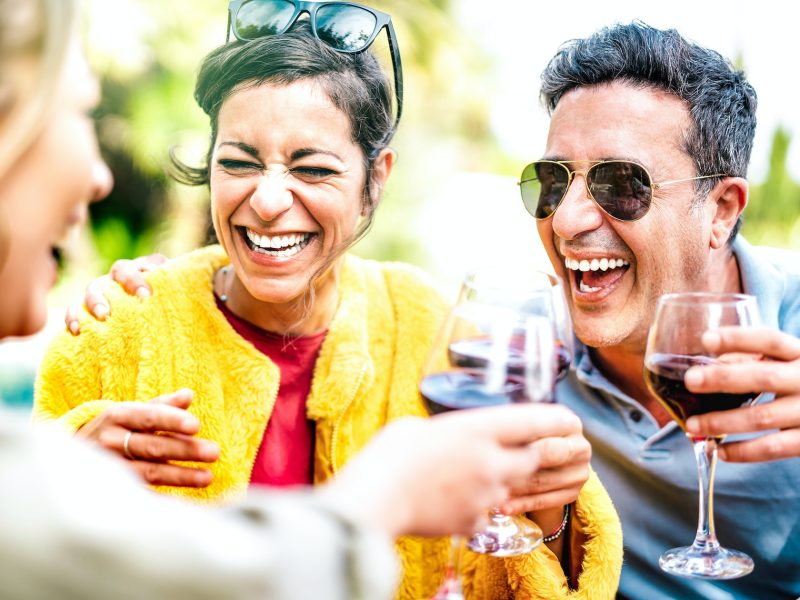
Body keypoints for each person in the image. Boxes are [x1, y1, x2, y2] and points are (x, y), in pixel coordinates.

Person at [0, 0, 610, 598]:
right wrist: (70, 475)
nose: (268, 201)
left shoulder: (430, 328)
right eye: (238, 162)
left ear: (376, 179)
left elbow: (495, 576)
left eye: (312, 169)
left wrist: (546, 515)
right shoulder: (116, 329)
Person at [519, 21, 800, 599]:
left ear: (721, 210)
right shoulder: (518, 354)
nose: (566, 220)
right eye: (551, 181)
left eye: (622, 183)